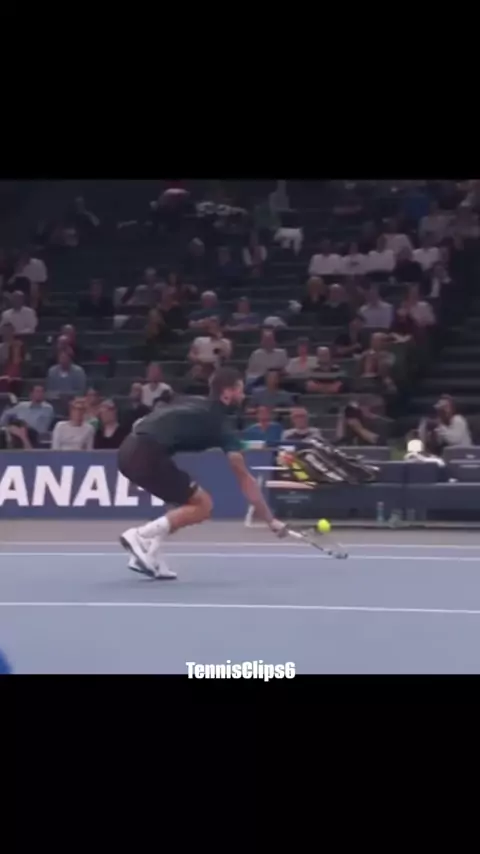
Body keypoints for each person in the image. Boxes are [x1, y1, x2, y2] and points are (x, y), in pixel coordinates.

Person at [117, 367, 286, 579]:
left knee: (181, 505)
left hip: (128, 450)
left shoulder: (191, 402)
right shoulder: (220, 425)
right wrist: (271, 520)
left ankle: (150, 554)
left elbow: (144, 421)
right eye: (240, 390)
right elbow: (245, 479)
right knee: (203, 505)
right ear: (227, 393)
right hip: (146, 454)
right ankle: (140, 535)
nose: (243, 396)